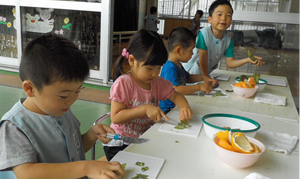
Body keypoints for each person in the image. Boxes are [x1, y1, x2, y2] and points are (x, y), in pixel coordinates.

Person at [0, 34, 125, 179]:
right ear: (30, 88)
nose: (72, 100)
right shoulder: (14, 127)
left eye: (77, 91)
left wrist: (91, 136)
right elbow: (26, 173)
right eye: (63, 96)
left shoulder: (61, 110)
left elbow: (73, 151)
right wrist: (85, 167)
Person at [104, 29, 193, 160]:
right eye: (150, 69)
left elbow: (176, 95)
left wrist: (184, 107)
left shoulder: (157, 82)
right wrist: (144, 109)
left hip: (144, 137)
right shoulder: (123, 84)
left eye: (158, 68)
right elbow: (116, 117)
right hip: (121, 142)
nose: (155, 74)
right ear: (132, 61)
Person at [182, 0, 265, 77]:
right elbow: (202, 61)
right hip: (188, 73)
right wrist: (206, 78)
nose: (223, 18)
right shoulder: (204, 34)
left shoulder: (228, 41)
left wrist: (247, 60)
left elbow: (230, 63)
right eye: (219, 14)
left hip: (203, 76)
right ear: (209, 19)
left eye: (228, 15)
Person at [159, 27, 217, 113]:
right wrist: (199, 87)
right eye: (191, 50)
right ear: (179, 50)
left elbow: (188, 77)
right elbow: (176, 89)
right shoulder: (170, 68)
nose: (193, 54)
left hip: (177, 106)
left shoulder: (177, 64)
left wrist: (203, 77)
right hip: (168, 110)